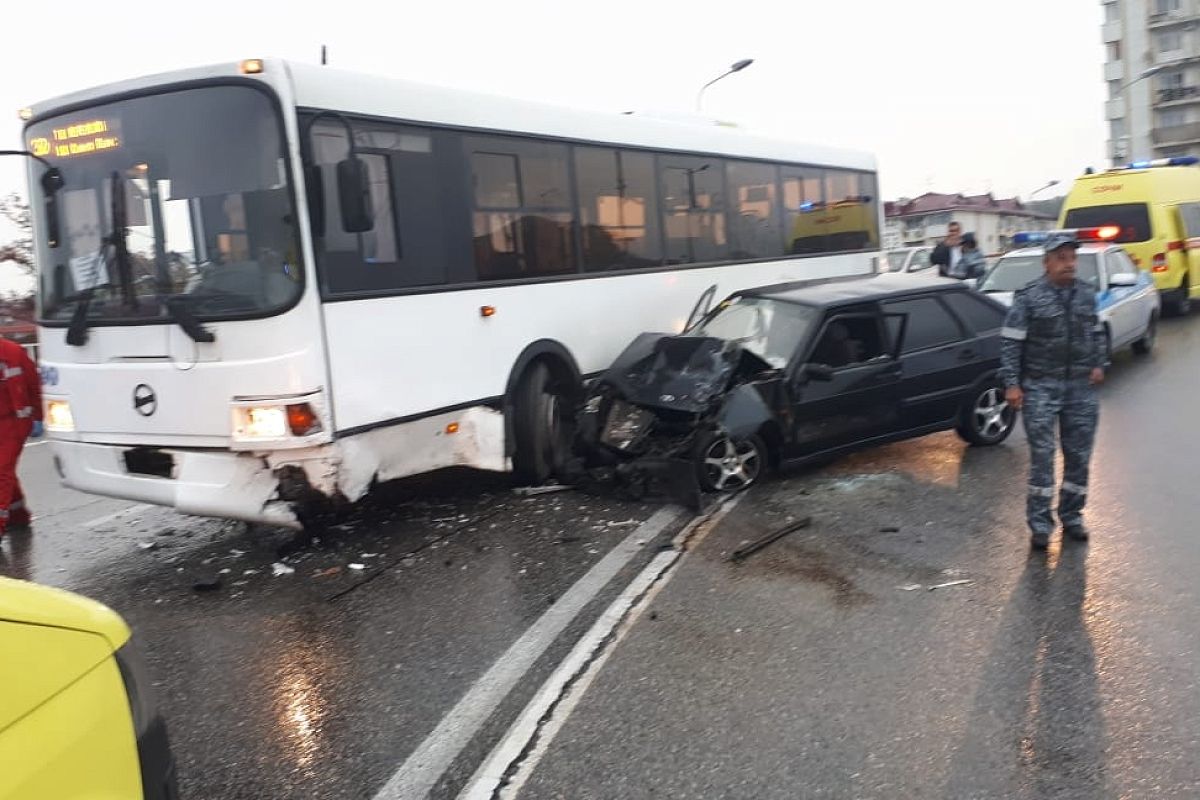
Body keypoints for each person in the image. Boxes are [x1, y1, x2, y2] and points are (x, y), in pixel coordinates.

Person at [999, 232, 1106, 550]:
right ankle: (1040, 525)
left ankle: (1072, 516)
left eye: (1072, 258)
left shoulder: (1086, 294)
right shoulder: (1029, 297)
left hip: (1079, 388)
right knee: (1043, 458)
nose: (1069, 264)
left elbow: (1096, 331)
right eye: (1061, 258)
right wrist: (1012, 384)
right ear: (1046, 262)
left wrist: (1099, 363)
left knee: (1079, 456)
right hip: (1040, 386)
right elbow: (1010, 342)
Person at [0, 337, 42, 540]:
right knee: (4, 471)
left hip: (13, 423)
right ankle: (17, 516)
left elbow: (34, 385)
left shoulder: (13, 352)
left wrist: (40, 417)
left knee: (1, 472)